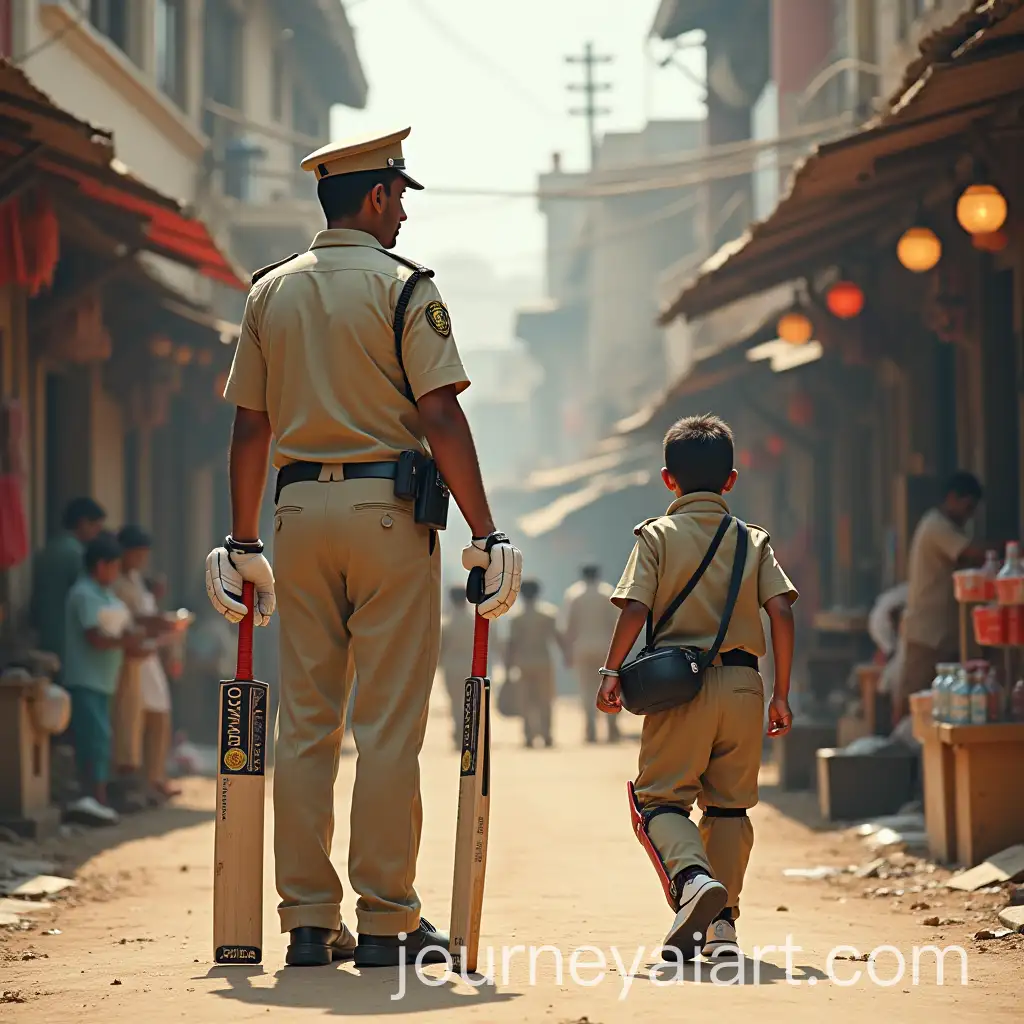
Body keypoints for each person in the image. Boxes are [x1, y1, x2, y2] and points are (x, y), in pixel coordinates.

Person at [204, 127, 522, 969]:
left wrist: (241, 540)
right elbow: (440, 413)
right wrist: (485, 531)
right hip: (389, 517)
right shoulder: (405, 287)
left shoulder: (269, 292)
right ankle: (386, 920)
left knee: (307, 723)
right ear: (376, 196)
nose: (404, 215)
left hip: (296, 516)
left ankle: (309, 921)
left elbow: (250, 428)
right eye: (400, 198)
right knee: (386, 727)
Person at [596, 414, 797, 960]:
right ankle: (722, 927)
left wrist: (611, 672)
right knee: (729, 809)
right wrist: (780, 693)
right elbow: (781, 611)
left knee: (659, 801)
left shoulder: (656, 536)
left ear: (669, 480)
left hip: (677, 688)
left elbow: (634, 606)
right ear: (731, 480)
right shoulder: (753, 540)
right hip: (745, 687)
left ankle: (691, 880)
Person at [63, 532, 151, 825]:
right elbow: (96, 637)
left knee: (101, 739)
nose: (116, 573)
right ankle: (93, 799)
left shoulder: (106, 595)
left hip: (103, 679)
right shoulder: (84, 594)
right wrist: (126, 642)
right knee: (93, 739)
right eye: (113, 566)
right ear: (101, 565)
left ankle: (96, 799)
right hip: (85, 678)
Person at [898, 472, 985, 720]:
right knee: (914, 706)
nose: (969, 515)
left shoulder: (947, 527)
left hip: (943, 636)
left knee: (942, 710)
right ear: (952, 498)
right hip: (926, 636)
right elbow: (972, 553)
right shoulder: (936, 526)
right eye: (967, 507)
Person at [112, 527, 180, 805]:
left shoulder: (136, 579)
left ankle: (154, 778)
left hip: (148, 655)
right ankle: (135, 784)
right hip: (130, 657)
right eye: (137, 554)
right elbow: (128, 620)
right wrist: (157, 623)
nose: (141, 560)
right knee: (130, 720)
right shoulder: (115, 582)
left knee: (158, 712)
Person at [30, 497, 106, 680]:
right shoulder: (76, 555)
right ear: (83, 523)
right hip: (68, 638)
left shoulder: (48, 550)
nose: (97, 533)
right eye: (96, 526)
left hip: (44, 632)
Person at [562, 565, 620, 743]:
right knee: (610, 688)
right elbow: (616, 624)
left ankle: (591, 730)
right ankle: (612, 728)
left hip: (582, 648)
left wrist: (567, 652)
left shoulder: (574, 594)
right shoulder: (608, 593)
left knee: (587, 690)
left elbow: (569, 626)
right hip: (606, 648)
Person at [505, 579, 561, 748]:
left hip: (523, 663)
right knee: (545, 700)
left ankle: (529, 736)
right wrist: (567, 655)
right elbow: (557, 637)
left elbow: (512, 644)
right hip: (543, 661)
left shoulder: (516, 617)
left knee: (526, 701)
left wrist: (508, 667)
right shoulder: (548, 614)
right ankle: (546, 734)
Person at [439, 585, 476, 749]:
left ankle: (459, 730)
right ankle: (470, 732)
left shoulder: (446, 623)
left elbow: (440, 649)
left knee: (455, 702)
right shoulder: (474, 621)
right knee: (471, 701)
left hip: (452, 666)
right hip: (471, 666)